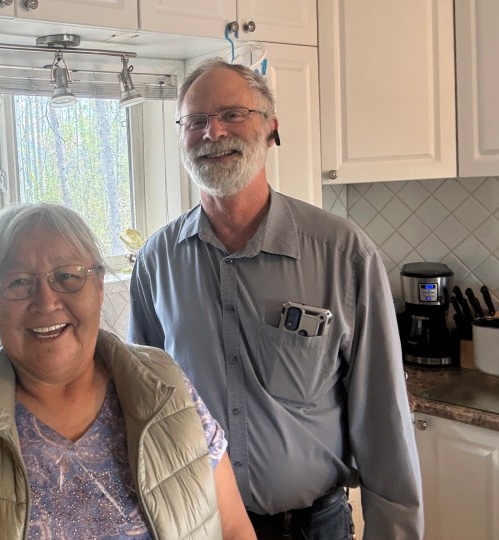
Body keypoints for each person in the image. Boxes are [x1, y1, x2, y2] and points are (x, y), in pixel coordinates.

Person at [128, 58, 423, 539]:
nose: (212, 132)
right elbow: (147, 409)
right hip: (201, 525)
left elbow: (383, 419)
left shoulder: (341, 253)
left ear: (271, 130)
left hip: (310, 527)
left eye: (232, 114)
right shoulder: (157, 260)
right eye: (196, 121)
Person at [0, 203, 256, 539]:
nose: (46, 301)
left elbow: (235, 530)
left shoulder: (165, 384)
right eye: (19, 282)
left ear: (99, 285)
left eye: (67, 276)